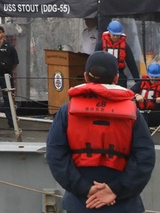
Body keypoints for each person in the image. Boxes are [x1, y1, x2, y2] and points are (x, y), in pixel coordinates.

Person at [46, 51, 155, 212]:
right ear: (116, 79)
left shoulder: (66, 112)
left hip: (80, 204)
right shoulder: (133, 114)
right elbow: (145, 157)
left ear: (85, 76)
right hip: (123, 206)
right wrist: (114, 189)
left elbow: (55, 155)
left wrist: (85, 189)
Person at [98, 21, 139, 89]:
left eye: (118, 35)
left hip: (119, 74)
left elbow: (131, 63)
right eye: (114, 35)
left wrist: (137, 80)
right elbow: (95, 60)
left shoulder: (125, 46)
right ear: (109, 32)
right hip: (104, 74)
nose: (116, 37)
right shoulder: (101, 44)